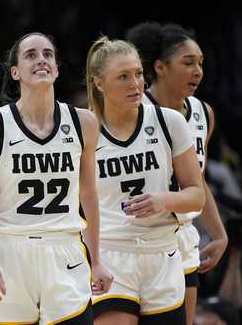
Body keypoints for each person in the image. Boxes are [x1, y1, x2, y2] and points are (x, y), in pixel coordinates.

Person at [0, 32, 113, 324]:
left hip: (64, 250)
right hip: (8, 251)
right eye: (31, 55)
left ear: (56, 69)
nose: (41, 59)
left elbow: (89, 196)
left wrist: (96, 261)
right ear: (15, 72)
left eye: (48, 54)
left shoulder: (84, 122)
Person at [85, 36, 205, 325]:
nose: (135, 84)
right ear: (99, 83)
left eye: (138, 74)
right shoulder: (85, 129)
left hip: (162, 252)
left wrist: (164, 199)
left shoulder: (169, 122)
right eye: (123, 76)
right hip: (110, 253)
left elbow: (197, 194)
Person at [126, 22, 228, 325]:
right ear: (160, 67)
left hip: (181, 238)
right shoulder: (131, 109)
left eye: (200, 64)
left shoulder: (202, 112)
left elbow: (198, 181)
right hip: (133, 237)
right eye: (188, 63)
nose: (197, 71)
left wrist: (219, 234)